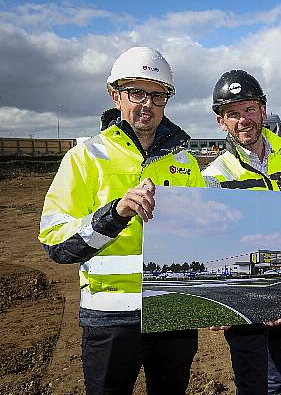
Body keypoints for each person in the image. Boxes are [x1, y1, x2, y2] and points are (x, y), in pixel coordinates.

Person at [38, 46, 205, 394]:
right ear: (116, 96)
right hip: (111, 316)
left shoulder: (186, 162)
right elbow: (56, 243)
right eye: (136, 92)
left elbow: (204, 236)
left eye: (157, 95)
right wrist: (114, 215)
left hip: (173, 310)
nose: (147, 103)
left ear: (166, 101)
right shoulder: (85, 158)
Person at [202, 69, 281, 395]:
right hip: (248, 299)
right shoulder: (214, 176)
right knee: (256, 385)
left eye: (249, 109)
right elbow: (209, 243)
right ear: (221, 122)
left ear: (263, 110)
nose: (243, 119)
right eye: (232, 113)